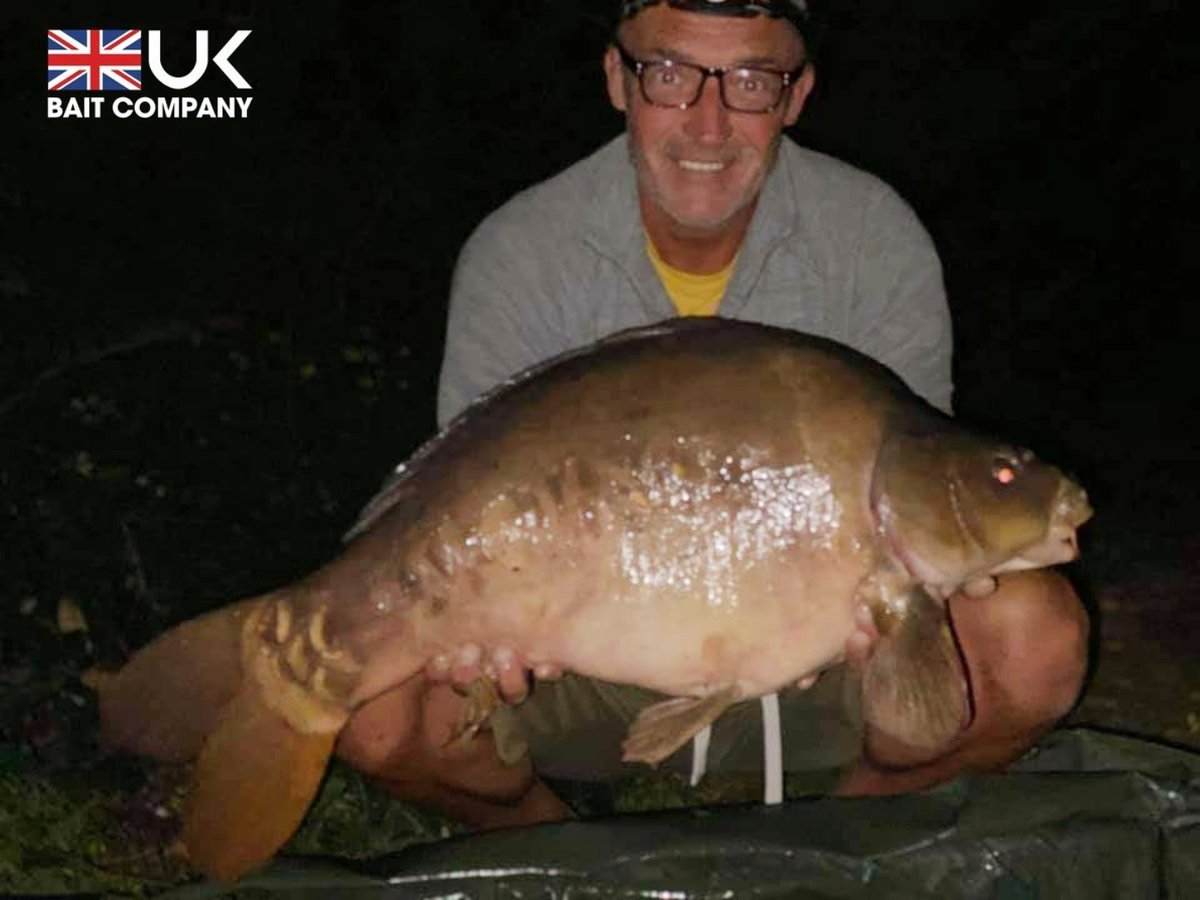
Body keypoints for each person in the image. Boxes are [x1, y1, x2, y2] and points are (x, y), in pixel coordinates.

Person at [335, 0, 1089, 826]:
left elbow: (918, 470)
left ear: (796, 96)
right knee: (368, 707)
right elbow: (467, 493)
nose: (708, 123)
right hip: (581, 660)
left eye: (752, 81)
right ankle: (561, 864)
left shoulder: (873, 235)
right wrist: (481, 630)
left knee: (1035, 640)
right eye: (669, 75)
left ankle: (848, 851)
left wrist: (892, 595)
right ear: (617, 79)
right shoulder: (519, 253)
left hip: (831, 664)